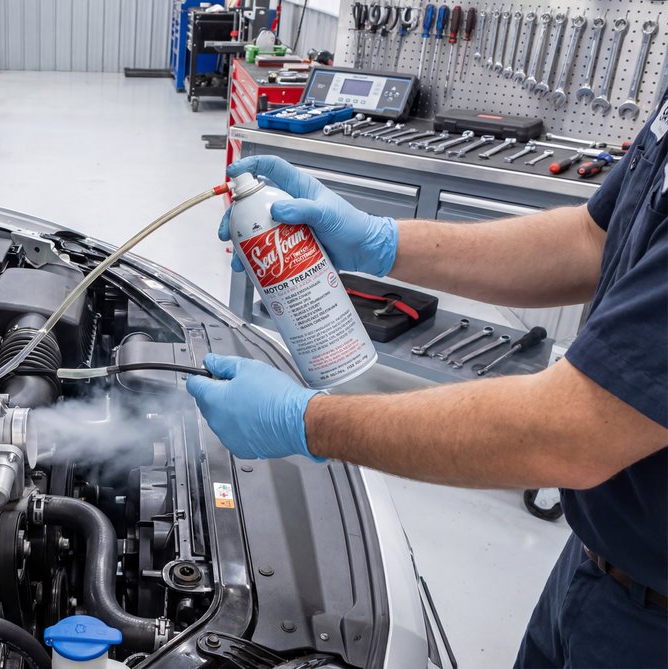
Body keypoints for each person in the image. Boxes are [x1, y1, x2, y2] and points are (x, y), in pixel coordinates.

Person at [187, 99, 668, 668]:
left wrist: (307, 422)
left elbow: (572, 430)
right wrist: (383, 242)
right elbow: (593, 239)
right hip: (595, 560)